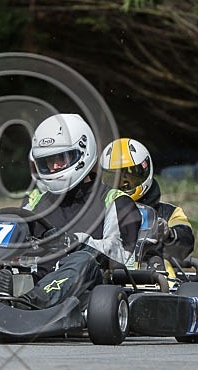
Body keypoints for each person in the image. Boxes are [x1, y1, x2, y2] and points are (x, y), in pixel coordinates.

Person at [12, 114, 143, 309]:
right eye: (48, 161)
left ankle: (32, 304)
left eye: (61, 159)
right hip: (34, 278)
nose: (54, 167)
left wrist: (76, 242)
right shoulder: (35, 201)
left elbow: (123, 258)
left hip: (90, 291)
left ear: (82, 153)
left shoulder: (115, 201)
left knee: (83, 260)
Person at [98, 138, 195, 270]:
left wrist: (169, 234)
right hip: (110, 277)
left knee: (159, 262)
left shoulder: (169, 213)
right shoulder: (98, 214)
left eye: (129, 176)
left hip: (156, 278)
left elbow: (186, 246)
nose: (123, 184)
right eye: (114, 178)